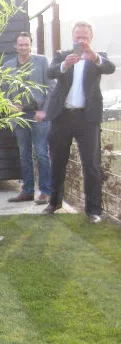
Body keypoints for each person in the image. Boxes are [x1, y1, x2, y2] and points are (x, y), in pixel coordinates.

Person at [43, 21, 115, 224]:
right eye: (78, 36)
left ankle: (93, 211)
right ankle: (54, 203)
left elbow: (110, 68)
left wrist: (95, 57)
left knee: (91, 165)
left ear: (90, 38)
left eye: (85, 36)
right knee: (57, 161)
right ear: (73, 37)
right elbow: (50, 72)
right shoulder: (62, 55)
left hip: (87, 118)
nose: (81, 40)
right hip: (62, 116)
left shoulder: (97, 57)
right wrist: (65, 64)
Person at [3, 31, 53, 205]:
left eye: (26, 44)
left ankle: (46, 192)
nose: (24, 47)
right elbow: (4, 90)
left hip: (38, 114)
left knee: (41, 153)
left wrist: (44, 111)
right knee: (24, 154)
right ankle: (27, 191)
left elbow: (51, 87)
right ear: (15, 46)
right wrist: (10, 106)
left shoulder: (42, 62)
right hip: (20, 116)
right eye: (21, 44)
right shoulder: (8, 66)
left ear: (30, 45)